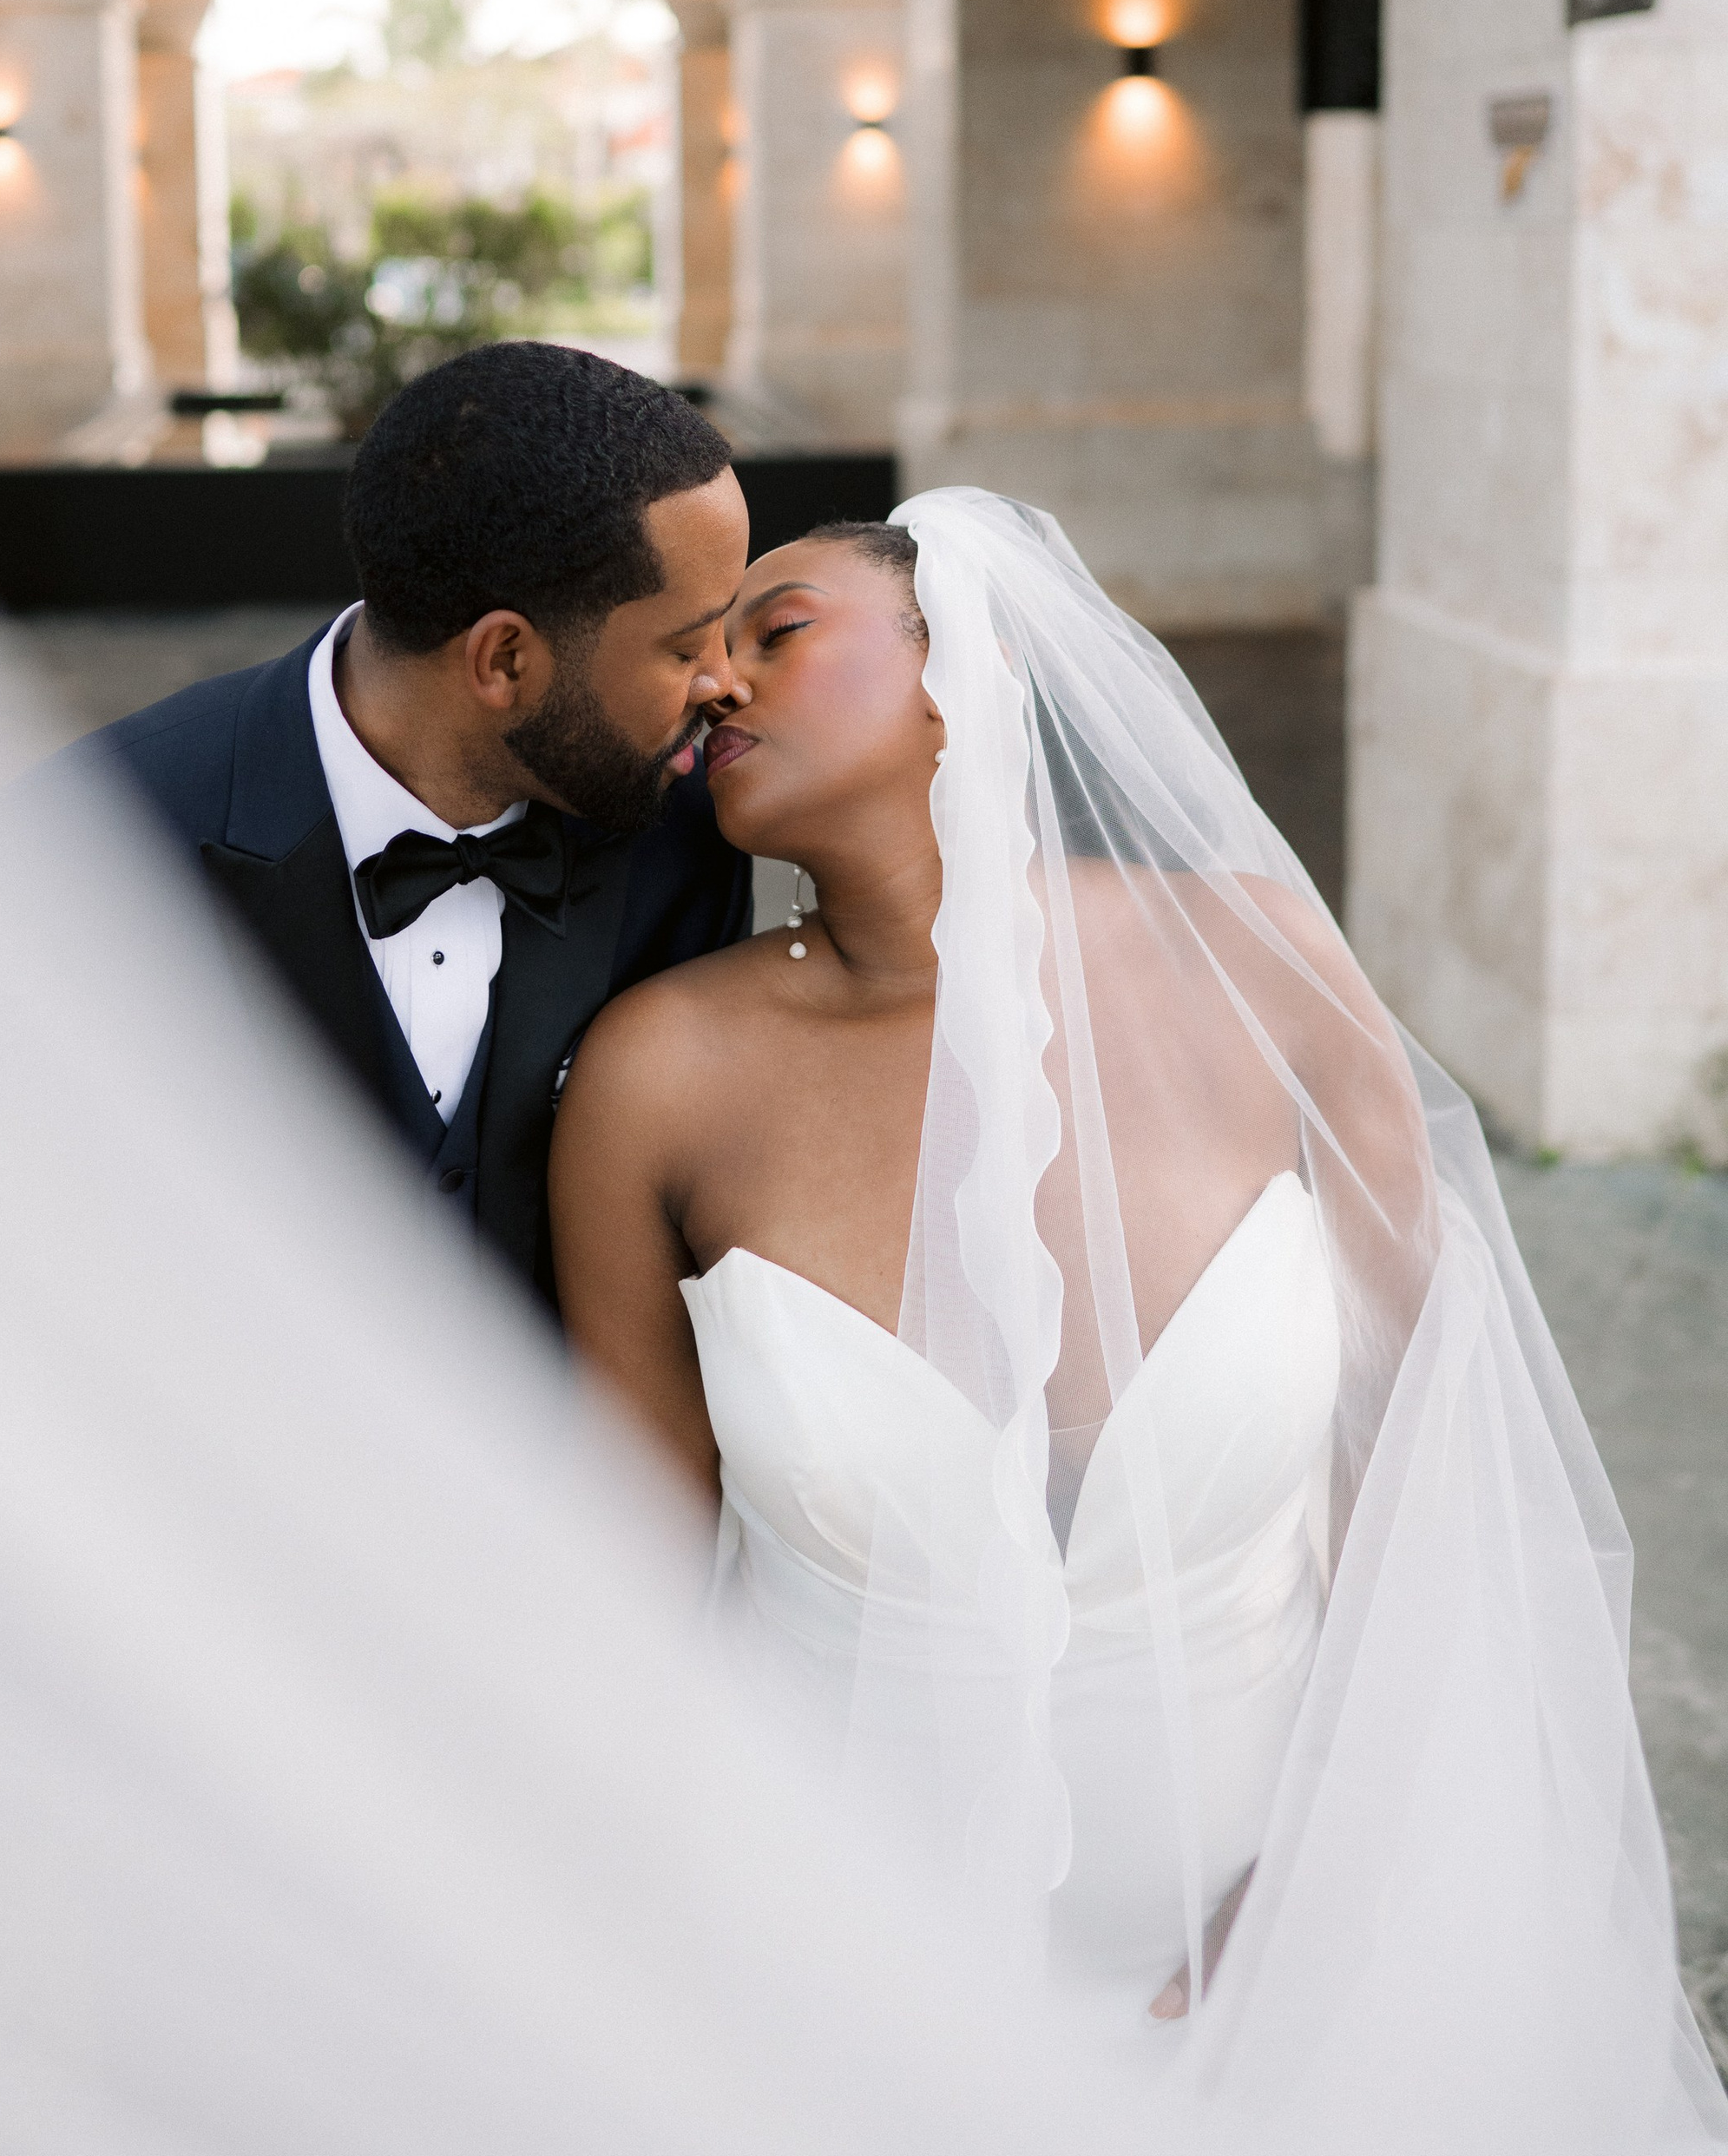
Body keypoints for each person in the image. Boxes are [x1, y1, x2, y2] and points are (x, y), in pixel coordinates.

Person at [551, 490, 1725, 2146]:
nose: (716, 685)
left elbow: (1433, 1451)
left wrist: (1349, 1857)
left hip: (1285, 1987)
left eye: (780, 630)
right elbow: (627, 1576)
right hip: (825, 1998)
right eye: (703, 657)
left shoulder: (1258, 962)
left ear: (980, 659)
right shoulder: (658, 1075)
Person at [71, 342, 755, 1308]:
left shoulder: (687, 845)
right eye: (687, 644)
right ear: (505, 660)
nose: (724, 682)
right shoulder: (85, 852)